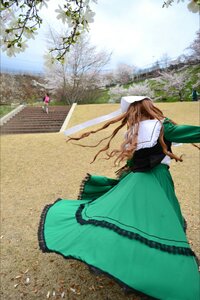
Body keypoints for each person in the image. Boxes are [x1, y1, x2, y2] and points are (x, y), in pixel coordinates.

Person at [38, 96, 200, 300]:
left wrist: (122, 181)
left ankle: (132, 257)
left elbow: (134, 161)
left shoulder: (133, 130)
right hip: (157, 178)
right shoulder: (162, 126)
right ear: (150, 107)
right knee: (167, 212)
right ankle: (166, 266)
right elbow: (194, 132)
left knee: (135, 216)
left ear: (131, 112)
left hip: (135, 179)